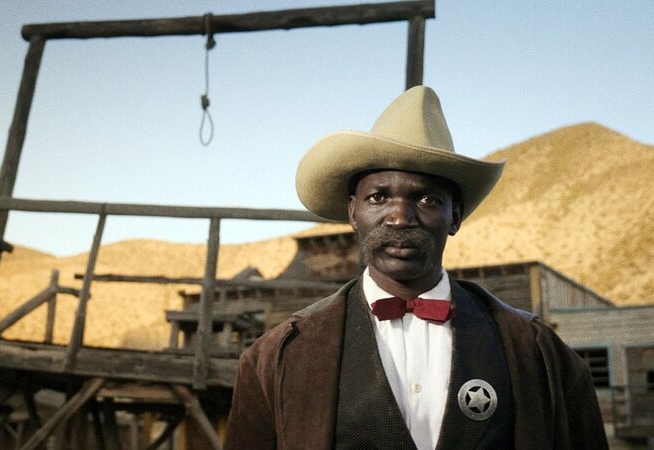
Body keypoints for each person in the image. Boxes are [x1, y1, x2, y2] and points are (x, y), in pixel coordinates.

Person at [224, 86, 607, 449]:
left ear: (455, 216)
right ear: (353, 212)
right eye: (379, 197)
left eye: (426, 199)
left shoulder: (535, 351)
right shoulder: (276, 359)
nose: (400, 217)